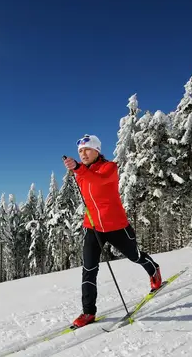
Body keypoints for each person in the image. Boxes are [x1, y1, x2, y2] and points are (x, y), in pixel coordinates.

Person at [63, 135, 162, 328]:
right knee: (89, 269)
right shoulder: (82, 172)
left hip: (116, 225)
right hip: (92, 227)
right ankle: (88, 312)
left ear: (97, 151)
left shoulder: (109, 167)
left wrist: (78, 168)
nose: (83, 154)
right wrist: (79, 170)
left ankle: (153, 269)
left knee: (135, 256)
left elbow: (98, 183)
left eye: (87, 149)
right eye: (80, 151)